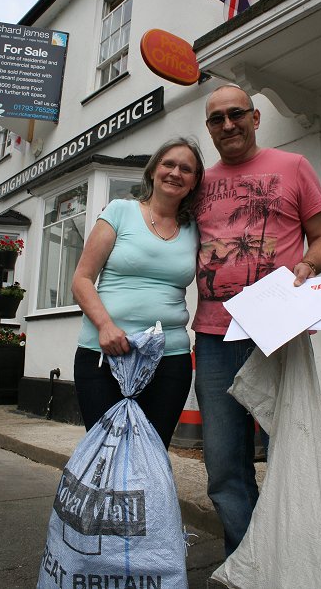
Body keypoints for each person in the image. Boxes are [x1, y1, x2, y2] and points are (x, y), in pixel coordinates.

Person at [193, 84, 321, 556]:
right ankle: (247, 564)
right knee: (224, 465)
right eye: (217, 119)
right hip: (214, 337)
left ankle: (288, 561)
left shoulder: (293, 167)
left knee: (290, 454)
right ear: (209, 128)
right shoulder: (199, 182)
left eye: (237, 114)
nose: (228, 124)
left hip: (279, 332)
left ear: (256, 118)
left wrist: (310, 266)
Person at [72, 137, 204, 450]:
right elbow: (82, 278)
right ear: (153, 170)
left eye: (186, 169)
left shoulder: (195, 229)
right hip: (105, 354)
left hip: (169, 359)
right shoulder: (120, 211)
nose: (175, 172)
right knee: (107, 453)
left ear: (194, 182)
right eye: (168, 164)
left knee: (151, 454)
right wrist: (105, 325)